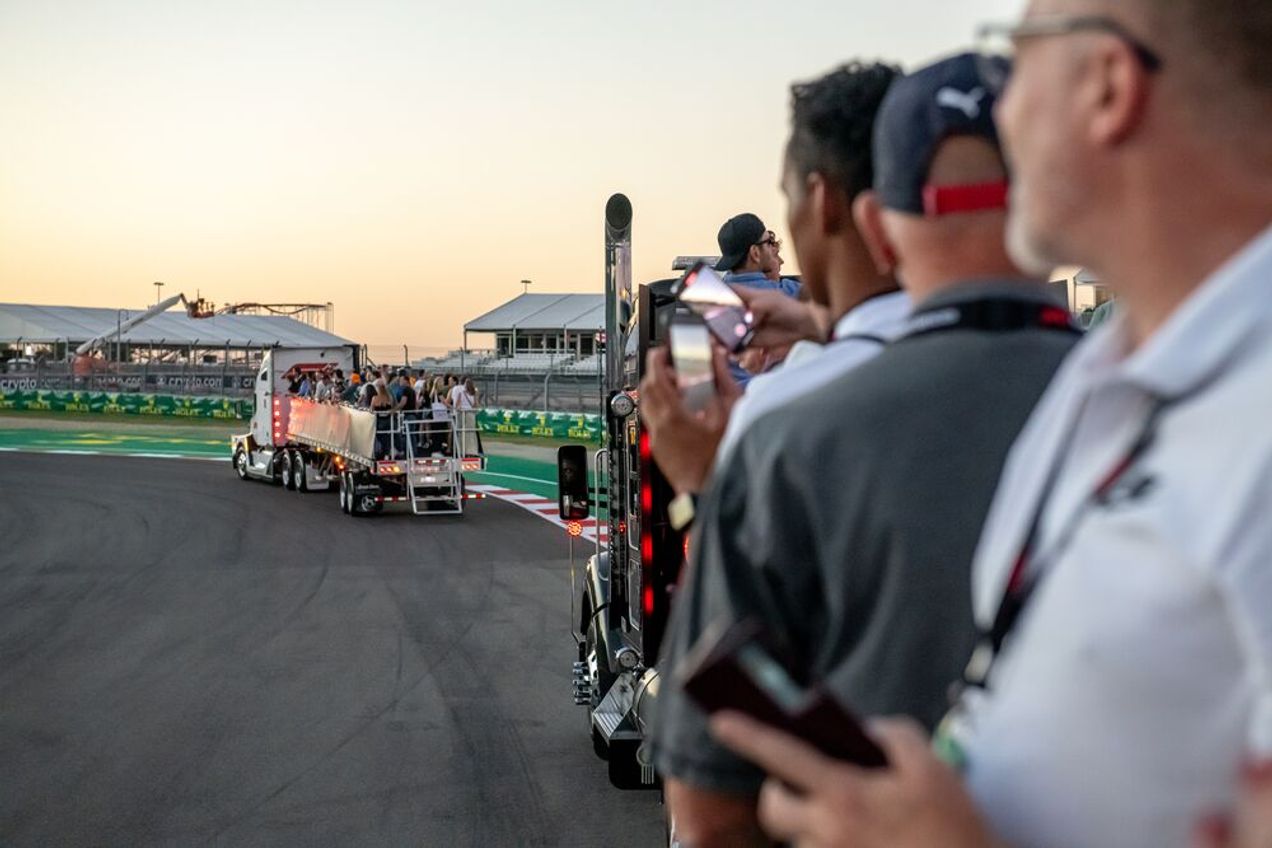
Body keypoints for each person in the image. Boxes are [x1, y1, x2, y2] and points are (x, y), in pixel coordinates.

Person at [712, 1, 1272, 846]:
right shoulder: (1118, 369)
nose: (1000, 107)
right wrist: (827, 327)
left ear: (1107, 87)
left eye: (1018, 57)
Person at [651, 52, 1083, 847]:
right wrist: (821, 326)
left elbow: (707, 804)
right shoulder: (1149, 394)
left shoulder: (780, 425)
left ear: (844, 211)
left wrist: (696, 489)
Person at [642, 61, 911, 501]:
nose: (781, 247)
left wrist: (699, 482)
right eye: (772, 240)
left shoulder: (767, 413)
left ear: (822, 203)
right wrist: (814, 322)